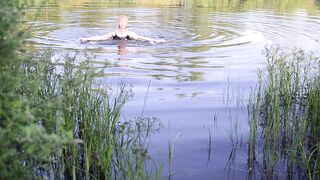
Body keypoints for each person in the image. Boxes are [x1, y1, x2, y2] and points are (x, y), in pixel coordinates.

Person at [79, 15, 165, 44]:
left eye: (124, 23)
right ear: (118, 23)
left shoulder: (130, 34)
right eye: (121, 22)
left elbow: (142, 38)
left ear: (126, 24)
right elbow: (100, 37)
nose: (122, 24)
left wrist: (155, 40)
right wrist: (86, 39)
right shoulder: (113, 33)